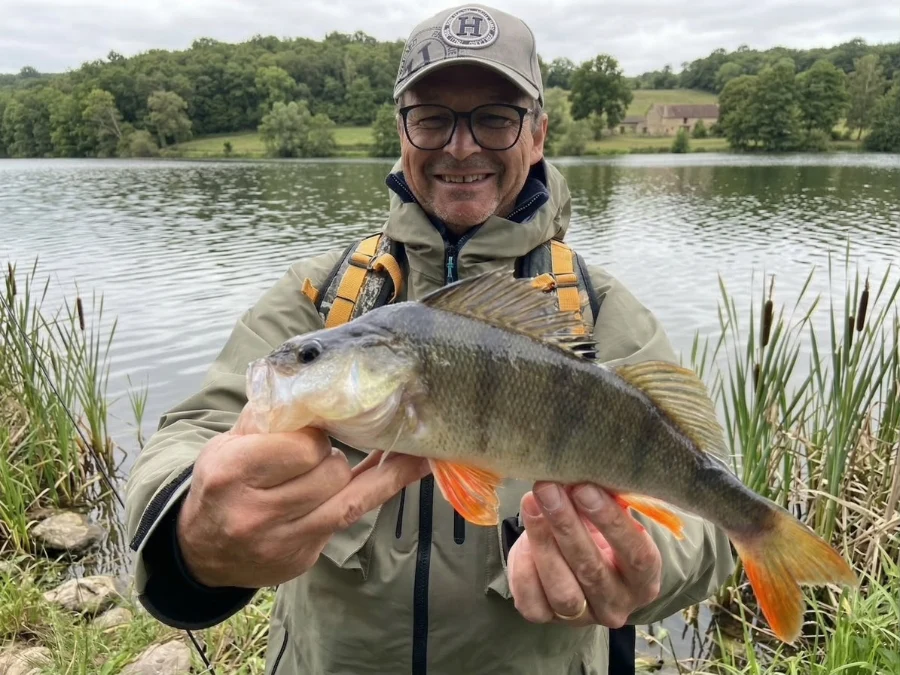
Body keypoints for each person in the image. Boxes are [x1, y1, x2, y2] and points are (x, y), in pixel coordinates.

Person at [124, 4, 735, 674]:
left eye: (494, 119)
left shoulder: (599, 307)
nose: (461, 146)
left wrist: (637, 558)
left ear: (537, 135)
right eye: (432, 118)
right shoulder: (322, 294)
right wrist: (194, 527)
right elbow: (191, 436)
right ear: (402, 131)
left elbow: (709, 514)